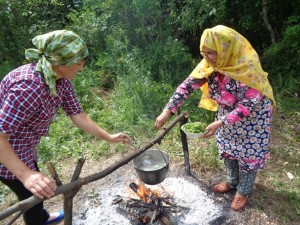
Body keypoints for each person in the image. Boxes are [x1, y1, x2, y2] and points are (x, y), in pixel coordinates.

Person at [0, 30, 132, 225]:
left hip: (25, 146)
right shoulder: (29, 86)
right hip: (7, 152)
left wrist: (109, 137)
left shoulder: (61, 80)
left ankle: (42, 216)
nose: (83, 67)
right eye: (79, 62)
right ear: (59, 61)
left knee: (36, 190)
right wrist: (25, 174)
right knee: (32, 193)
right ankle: (39, 220)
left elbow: (78, 115)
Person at [155, 25, 275, 211]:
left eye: (211, 53)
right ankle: (232, 181)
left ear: (225, 49)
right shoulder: (209, 66)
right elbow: (186, 87)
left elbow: (247, 105)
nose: (206, 58)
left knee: (248, 155)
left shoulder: (247, 67)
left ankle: (243, 191)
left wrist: (221, 122)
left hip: (253, 119)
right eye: (203, 53)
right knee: (227, 148)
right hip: (226, 115)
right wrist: (167, 111)